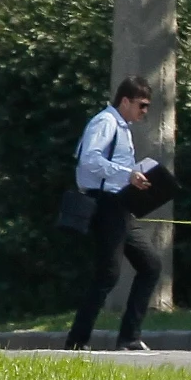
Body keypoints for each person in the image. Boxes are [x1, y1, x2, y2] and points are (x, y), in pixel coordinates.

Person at [65, 76, 162, 352]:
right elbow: (89, 160)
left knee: (150, 265)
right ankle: (77, 340)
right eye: (142, 105)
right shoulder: (105, 122)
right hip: (105, 203)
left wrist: (136, 178)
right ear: (125, 101)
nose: (144, 111)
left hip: (120, 205)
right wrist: (127, 174)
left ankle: (129, 337)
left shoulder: (122, 127)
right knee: (108, 273)